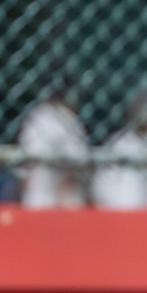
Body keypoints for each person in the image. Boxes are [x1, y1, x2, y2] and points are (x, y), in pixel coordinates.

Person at [18, 80, 89, 210]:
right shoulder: (66, 118)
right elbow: (73, 169)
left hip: (38, 200)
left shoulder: (36, 117)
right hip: (61, 200)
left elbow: (25, 172)